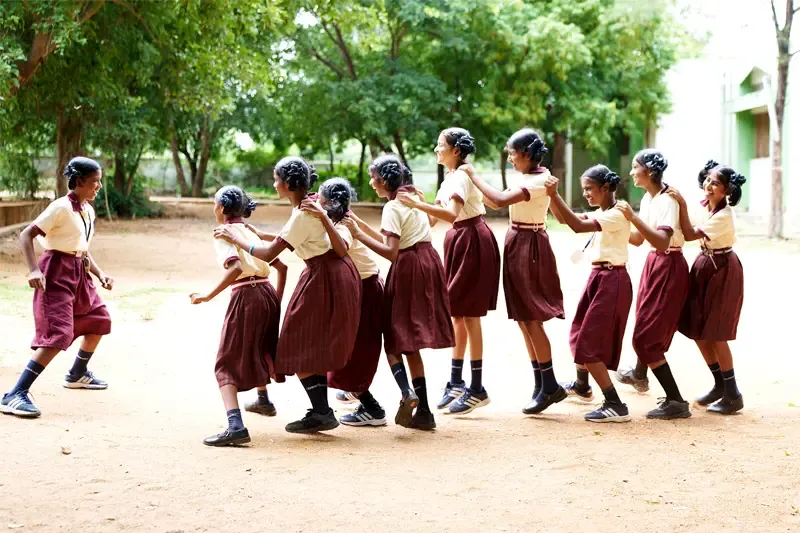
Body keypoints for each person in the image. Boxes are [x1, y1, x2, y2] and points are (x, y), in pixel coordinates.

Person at [215, 157, 361, 433]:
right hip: (334, 273)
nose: (274, 183)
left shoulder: (304, 213)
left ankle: (321, 411)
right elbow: (294, 238)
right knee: (310, 342)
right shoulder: (312, 204)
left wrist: (238, 239)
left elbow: (270, 253)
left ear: (287, 183)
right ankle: (321, 410)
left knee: (295, 344)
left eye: (276, 178)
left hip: (324, 277)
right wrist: (257, 234)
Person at [342, 154, 455, 430]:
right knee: (411, 339)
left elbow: (390, 251)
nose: (372, 183)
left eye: (374, 178)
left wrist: (356, 235)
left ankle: (407, 391)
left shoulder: (392, 207)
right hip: (428, 261)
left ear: (385, 180)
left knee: (393, 337)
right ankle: (425, 411)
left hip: (407, 266)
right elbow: (390, 236)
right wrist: (357, 224)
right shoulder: (412, 197)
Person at [459, 128, 566, 414]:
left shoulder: (540, 180)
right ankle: (540, 383)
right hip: (519, 240)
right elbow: (496, 201)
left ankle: (551, 384)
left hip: (530, 244)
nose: (509, 159)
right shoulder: (527, 177)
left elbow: (499, 201)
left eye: (512, 153)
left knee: (532, 318)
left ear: (527, 154)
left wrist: (472, 175)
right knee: (522, 318)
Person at [397, 128, 500, 415]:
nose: (435, 149)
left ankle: (476, 388)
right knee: (458, 312)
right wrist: (419, 204)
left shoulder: (462, 176)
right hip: (460, 239)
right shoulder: (451, 178)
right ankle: (456, 381)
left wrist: (418, 203)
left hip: (472, 240)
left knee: (470, 314)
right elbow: (433, 220)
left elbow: (452, 214)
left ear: (456, 150)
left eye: (440, 145)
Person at [1, 157, 113, 418]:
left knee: (99, 320)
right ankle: (15, 394)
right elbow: (26, 234)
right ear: (79, 181)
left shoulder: (87, 210)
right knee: (59, 333)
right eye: (95, 182)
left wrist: (99, 273)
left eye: (99, 181)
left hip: (79, 272)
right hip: (56, 272)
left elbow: (81, 248)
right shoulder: (60, 207)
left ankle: (77, 373)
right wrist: (33, 269)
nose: (98, 186)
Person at [190, 186, 284, 446]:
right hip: (266, 293)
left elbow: (236, 268)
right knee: (260, 347)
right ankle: (263, 401)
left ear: (221, 207)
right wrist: (276, 298)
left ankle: (235, 426)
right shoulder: (250, 231)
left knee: (225, 362)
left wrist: (208, 295)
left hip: (246, 295)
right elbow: (282, 266)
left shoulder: (224, 233)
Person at [546, 166, 633, 422]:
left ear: (605, 188)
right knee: (578, 331)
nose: (585, 194)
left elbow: (575, 226)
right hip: (599, 277)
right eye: (584, 189)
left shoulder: (616, 214)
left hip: (612, 280)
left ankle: (615, 403)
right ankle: (582, 386)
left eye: (589, 189)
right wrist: (551, 196)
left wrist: (555, 194)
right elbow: (563, 219)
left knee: (589, 344)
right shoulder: (603, 212)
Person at [300, 178, 388, 427]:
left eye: (322, 200)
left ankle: (372, 408)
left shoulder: (343, 224)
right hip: (359, 287)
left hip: (366, 289)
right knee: (349, 348)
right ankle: (358, 394)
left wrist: (321, 214)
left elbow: (341, 247)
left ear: (329, 204)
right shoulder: (340, 216)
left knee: (355, 349)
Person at [615, 150, 691, 420]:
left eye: (635, 167)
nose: (632, 172)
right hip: (656, 263)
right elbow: (639, 239)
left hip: (669, 265)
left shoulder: (667, 200)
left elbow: (661, 241)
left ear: (648, 171)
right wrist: (612, 224)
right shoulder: (649, 198)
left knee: (647, 336)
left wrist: (632, 218)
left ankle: (676, 400)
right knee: (644, 322)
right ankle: (640, 375)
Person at [667, 160, 746, 415]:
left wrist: (680, 203)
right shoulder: (706, 207)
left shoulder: (723, 215)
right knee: (699, 329)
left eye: (717, 184)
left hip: (723, 268)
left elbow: (690, 234)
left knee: (717, 332)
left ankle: (733, 393)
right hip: (705, 264)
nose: (709, 186)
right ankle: (720, 384)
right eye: (708, 180)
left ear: (727, 191)